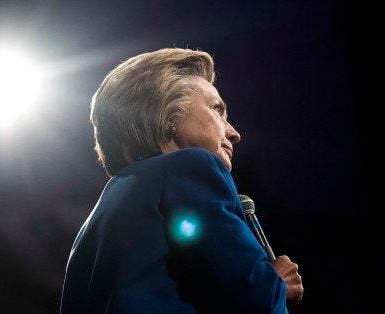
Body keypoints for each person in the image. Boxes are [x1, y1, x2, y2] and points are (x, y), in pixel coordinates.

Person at [60, 48, 303, 313]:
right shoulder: (192, 165)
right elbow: (257, 299)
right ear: (169, 117)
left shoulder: (101, 212)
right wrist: (276, 284)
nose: (234, 133)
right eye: (217, 109)